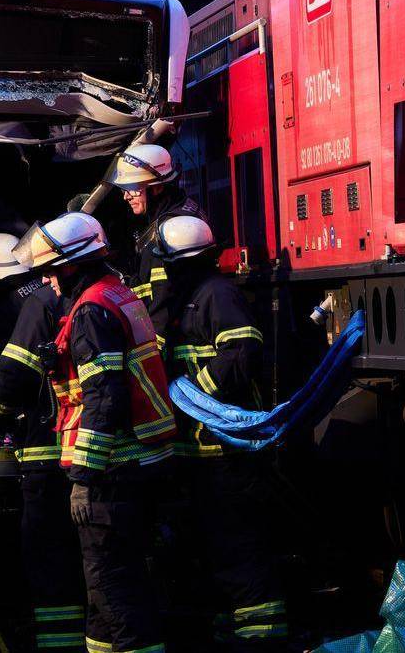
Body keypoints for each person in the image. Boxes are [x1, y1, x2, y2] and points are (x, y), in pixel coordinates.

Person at [27, 211, 176, 653]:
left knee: (115, 591)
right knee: (103, 597)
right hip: (137, 464)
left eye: (51, 271)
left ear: (71, 265)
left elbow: (104, 398)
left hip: (112, 472)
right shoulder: (116, 294)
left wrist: (83, 480)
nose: (48, 281)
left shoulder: (91, 310)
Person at [151, 216, 286, 648]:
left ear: (185, 262)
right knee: (209, 548)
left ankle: (261, 637)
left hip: (226, 455)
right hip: (198, 457)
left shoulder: (217, 294)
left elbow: (242, 352)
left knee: (238, 547)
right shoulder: (186, 299)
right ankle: (228, 631)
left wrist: (192, 398)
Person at [0, 232, 86, 650]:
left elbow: (14, 374)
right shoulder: (93, 293)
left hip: (43, 451)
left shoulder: (27, 304)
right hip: (87, 450)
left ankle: (58, 644)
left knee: (48, 557)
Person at [104, 143, 202, 310]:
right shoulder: (177, 208)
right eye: (123, 189)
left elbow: (164, 298)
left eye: (133, 188)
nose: (126, 197)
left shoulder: (172, 230)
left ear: (156, 187)